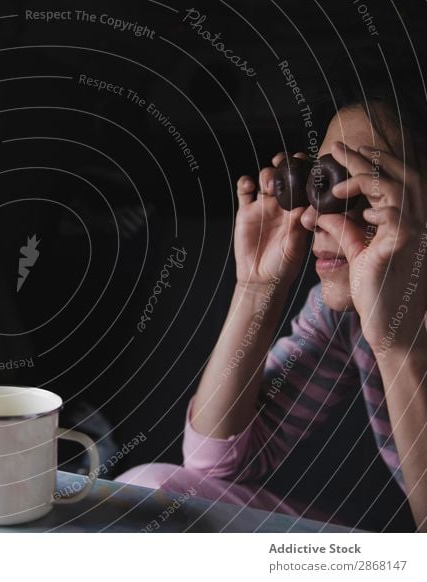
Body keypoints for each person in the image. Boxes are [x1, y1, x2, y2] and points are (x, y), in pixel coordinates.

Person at [116, 48, 427, 532]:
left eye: (365, 186)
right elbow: (213, 463)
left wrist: (401, 345)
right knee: (154, 493)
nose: (317, 216)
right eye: (319, 183)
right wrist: (257, 289)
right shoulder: (346, 313)